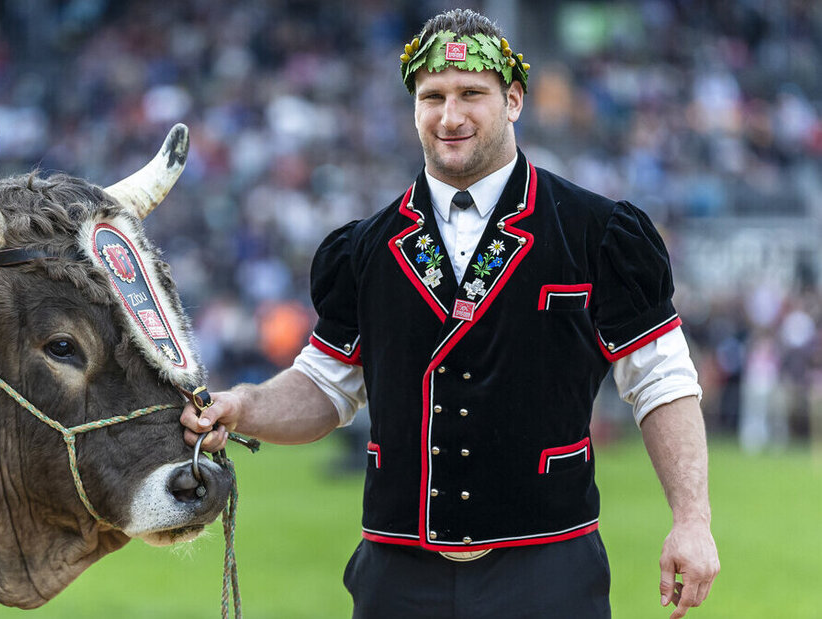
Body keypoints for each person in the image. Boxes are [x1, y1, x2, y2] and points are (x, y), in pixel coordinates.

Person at [181, 8, 719, 618]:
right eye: (432, 96)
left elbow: (661, 381)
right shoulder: (365, 248)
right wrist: (243, 406)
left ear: (513, 100)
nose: (450, 116)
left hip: (548, 566)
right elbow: (325, 387)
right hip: (398, 574)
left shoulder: (597, 232)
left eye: (471, 94)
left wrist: (692, 521)